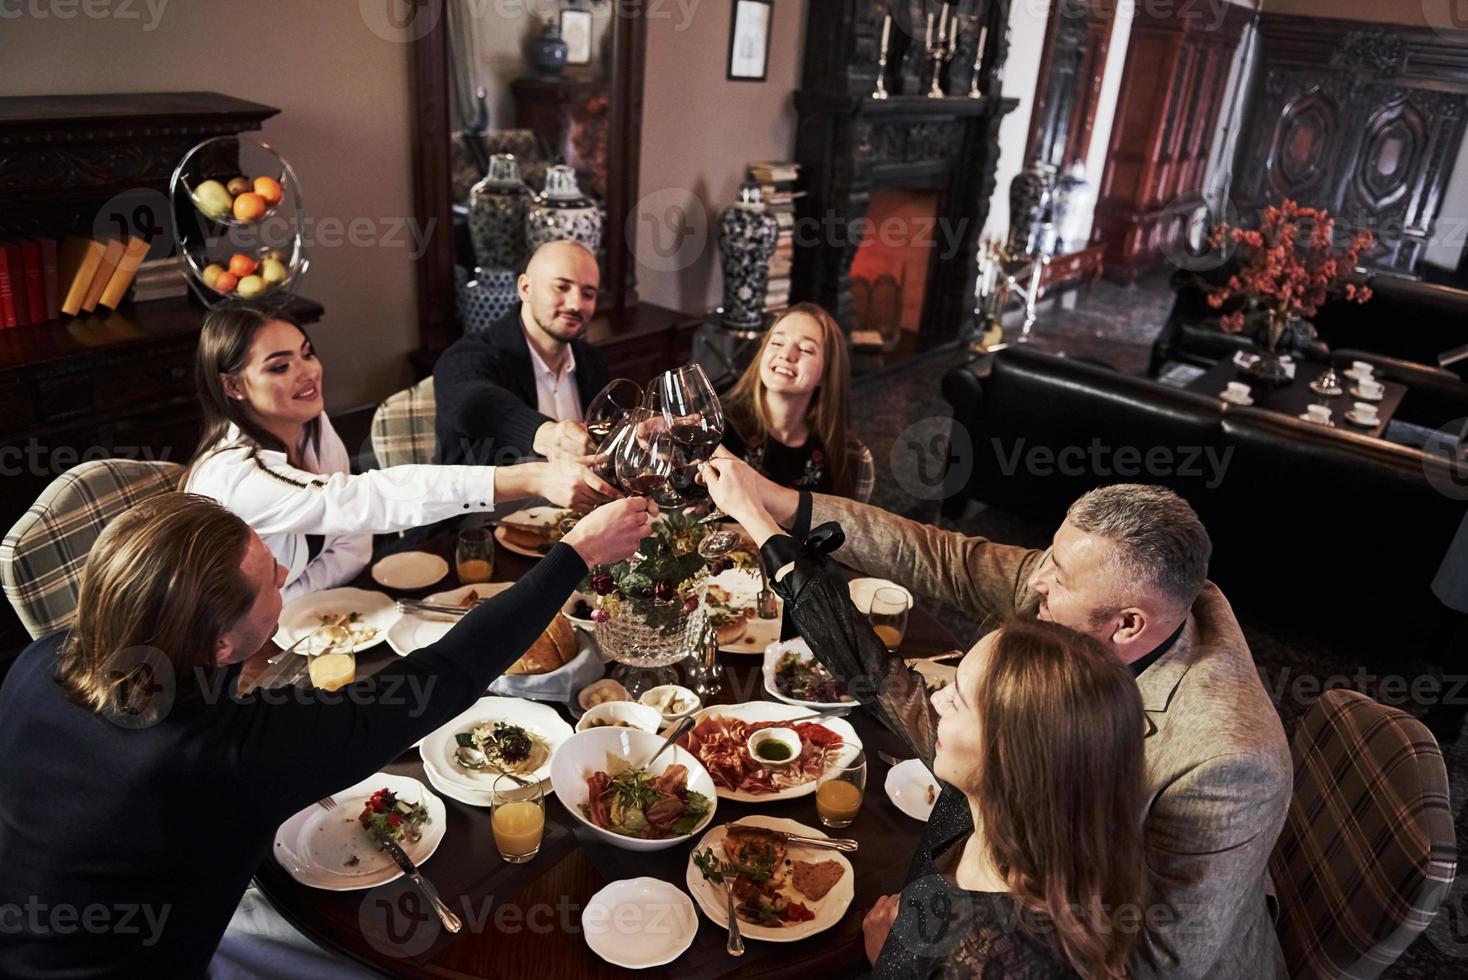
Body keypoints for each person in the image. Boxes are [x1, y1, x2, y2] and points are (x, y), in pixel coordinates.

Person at [0, 490, 652, 978]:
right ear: (223, 642)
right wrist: (578, 554)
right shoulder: (222, 758)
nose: (286, 574)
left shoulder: (45, 659)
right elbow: (446, 673)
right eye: (268, 581)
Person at [701, 458, 1292, 980]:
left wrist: (915, 955)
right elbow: (942, 559)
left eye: (1054, 578)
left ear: (1129, 626)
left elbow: (1160, 961)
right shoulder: (1089, 586)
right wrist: (776, 502)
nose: (1033, 581)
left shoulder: (1230, 759)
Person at [184, 306, 618, 601]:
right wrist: (534, 478)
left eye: (307, 354)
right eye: (280, 366)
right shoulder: (236, 475)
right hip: (221, 653)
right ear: (233, 386)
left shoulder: (313, 429)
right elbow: (366, 500)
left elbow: (354, 545)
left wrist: (290, 605)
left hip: (291, 625)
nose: (308, 372)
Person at [433, 240, 610, 467]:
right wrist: (545, 435)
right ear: (525, 288)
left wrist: (633, 435)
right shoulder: (465, 356)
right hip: (489, 502)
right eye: (562, 287)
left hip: (580, 501)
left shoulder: (591, 360)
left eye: (588, 294)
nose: (576, 304)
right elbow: (472, 404)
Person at [720, 302, 858, 496]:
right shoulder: (718, 425)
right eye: (776, 343)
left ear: (827, 373)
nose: (786, 354)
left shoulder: (842, 452)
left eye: (805, 349)